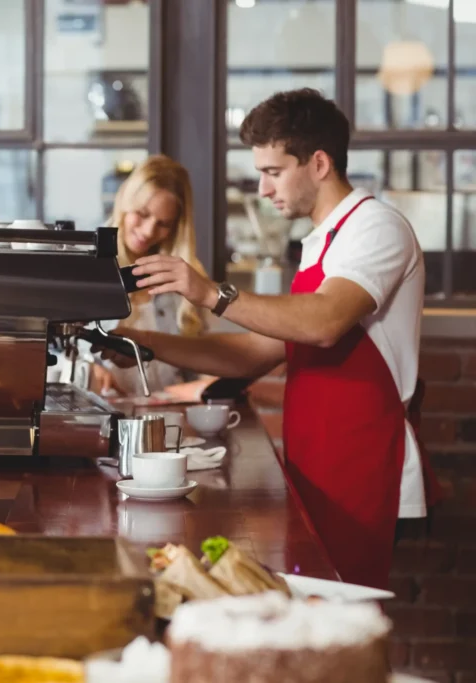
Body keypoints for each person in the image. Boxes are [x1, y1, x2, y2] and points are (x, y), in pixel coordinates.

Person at [102, 88, 442, 590]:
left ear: (319, 163)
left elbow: (322, 323)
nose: (262, 188)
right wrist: (142, 342)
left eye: (273, 171)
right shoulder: (323, 241)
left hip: (365, 467)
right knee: (314, 615)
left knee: (344, 624)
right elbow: (259, 351)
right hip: (316, 462)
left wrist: (209, 292)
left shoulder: (376, 227)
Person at [90, 155, 211, 397]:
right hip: (104, 418)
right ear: (125, 202)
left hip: (174, 421)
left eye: (164, 223)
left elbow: (205, 367)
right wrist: (89, 370)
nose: (148, 231)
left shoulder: (187, 279)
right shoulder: (88, 270)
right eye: (142, 214)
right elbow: (57, 354)